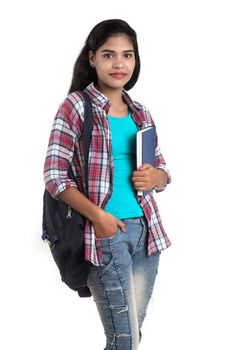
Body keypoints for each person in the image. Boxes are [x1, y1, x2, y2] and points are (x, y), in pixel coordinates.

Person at [44, 19, 171, 350]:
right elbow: (54, 175)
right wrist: (99, 218)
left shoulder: (140, 113)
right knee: (123, 339)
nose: (119, 64)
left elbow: (161, 169)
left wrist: (159, 177)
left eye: (127, 55)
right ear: (92, 59)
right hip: (104, 236)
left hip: (147, 235)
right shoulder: (76, 107)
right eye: (108, 55)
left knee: (130, 337)